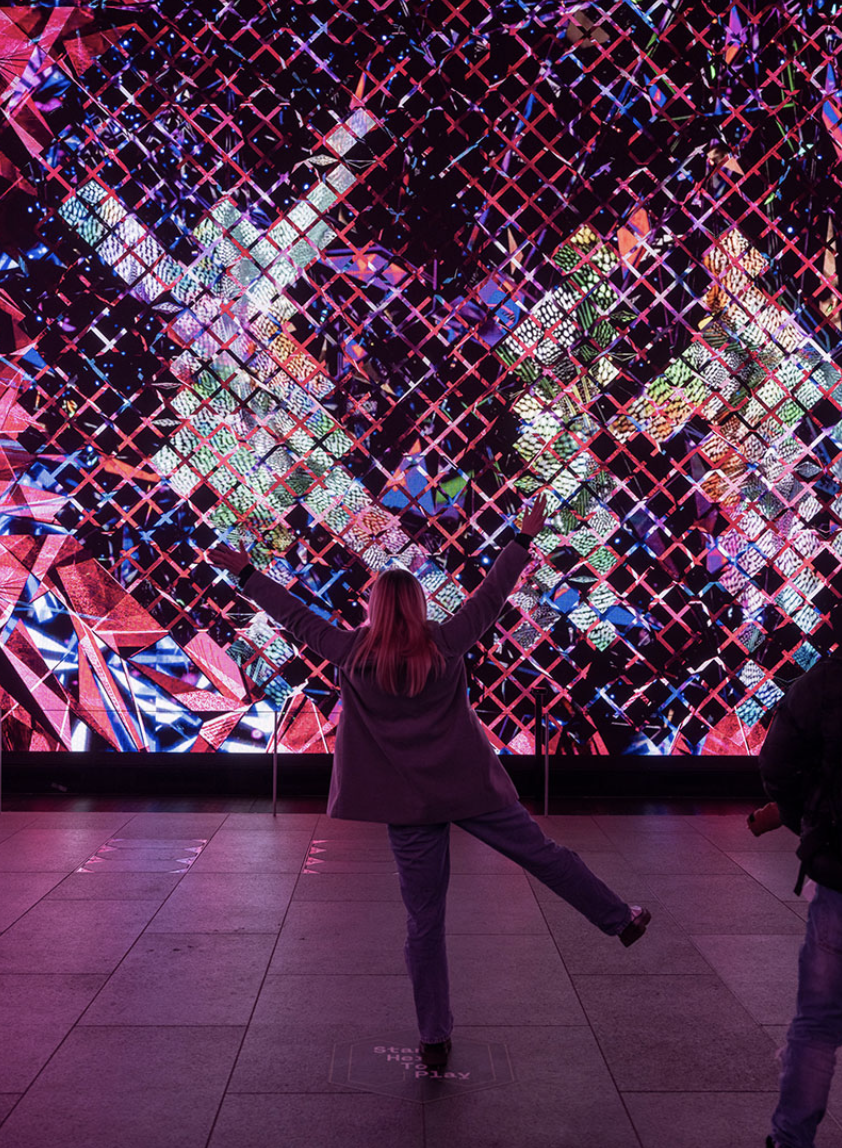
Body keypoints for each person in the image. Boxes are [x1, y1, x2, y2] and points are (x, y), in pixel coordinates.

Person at [208, 495, 650, 1068]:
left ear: (371, 607)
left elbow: (293, 614)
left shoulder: (348, 652)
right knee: (545, 854)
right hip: (471, 789)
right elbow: (491, 596)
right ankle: (619, 919)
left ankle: (434, 1037)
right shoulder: (444, 644)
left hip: (407, 806)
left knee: (424, 923)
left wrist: (244, 570)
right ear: (417, 605)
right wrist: (522, 535)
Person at [758, 638, 842, 1148]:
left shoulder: (826, 681)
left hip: (840, 876)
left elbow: (777, 764)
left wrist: (809, 826)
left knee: (816, 1025)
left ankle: (790, 1140)